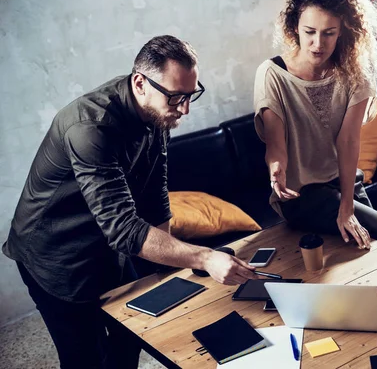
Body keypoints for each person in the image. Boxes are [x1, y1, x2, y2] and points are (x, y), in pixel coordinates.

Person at [2, 35, 257, 369]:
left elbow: (154, 194)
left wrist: (169, 264)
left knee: (131, 334)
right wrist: (204, 256)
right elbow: (124, 229)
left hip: (109, 245)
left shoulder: (158, 113)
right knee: (86, 359)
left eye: (191, 95)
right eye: (177, 97)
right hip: (56, 256)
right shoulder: (89, 127)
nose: (185, 108)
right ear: (140, 83)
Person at [253, 0, 377, 250]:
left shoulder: (354, 74)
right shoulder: (271, 74)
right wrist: (277, 168)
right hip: (302, 194)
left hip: (346, 182)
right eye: (309, 32)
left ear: (343, 31)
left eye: (329, 33)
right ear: (294, 26)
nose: (318, 43)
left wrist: (347, 206)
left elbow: (348, 141)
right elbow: (275, 142)